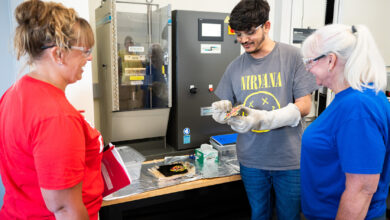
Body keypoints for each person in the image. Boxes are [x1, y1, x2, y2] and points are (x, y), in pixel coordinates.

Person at [211, 0, 318, 219]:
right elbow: (234, 109)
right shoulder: (235, 67)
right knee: (259, 214)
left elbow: (305, 106)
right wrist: (224, 113)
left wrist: (264, 119)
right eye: (238, 34)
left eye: (249, 32)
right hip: (251, 160)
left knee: (289, 216)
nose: (243, 40)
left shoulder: (292, 57)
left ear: (266, 26)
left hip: (289, 160)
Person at [0, 0, 104, 219]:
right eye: (85, 51)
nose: (90, 58)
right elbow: (66, 210)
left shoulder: (13, 93)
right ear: (58, 54)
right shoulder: (57, 116)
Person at [300, 24, 390, 220]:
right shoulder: (356, 98)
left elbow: (362, 189)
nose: (308, 69)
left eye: (309, 62)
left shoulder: (357, 107)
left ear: (331, 60)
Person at [118, 36, 145, 110]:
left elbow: (141, 72)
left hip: (133, 84)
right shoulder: (121, 53)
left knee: (133, 104)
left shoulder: (136, 57)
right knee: (124, 104)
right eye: (129, 42)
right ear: (125, 44)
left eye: (132, 43)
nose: (131, 44)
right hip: (124, 84)